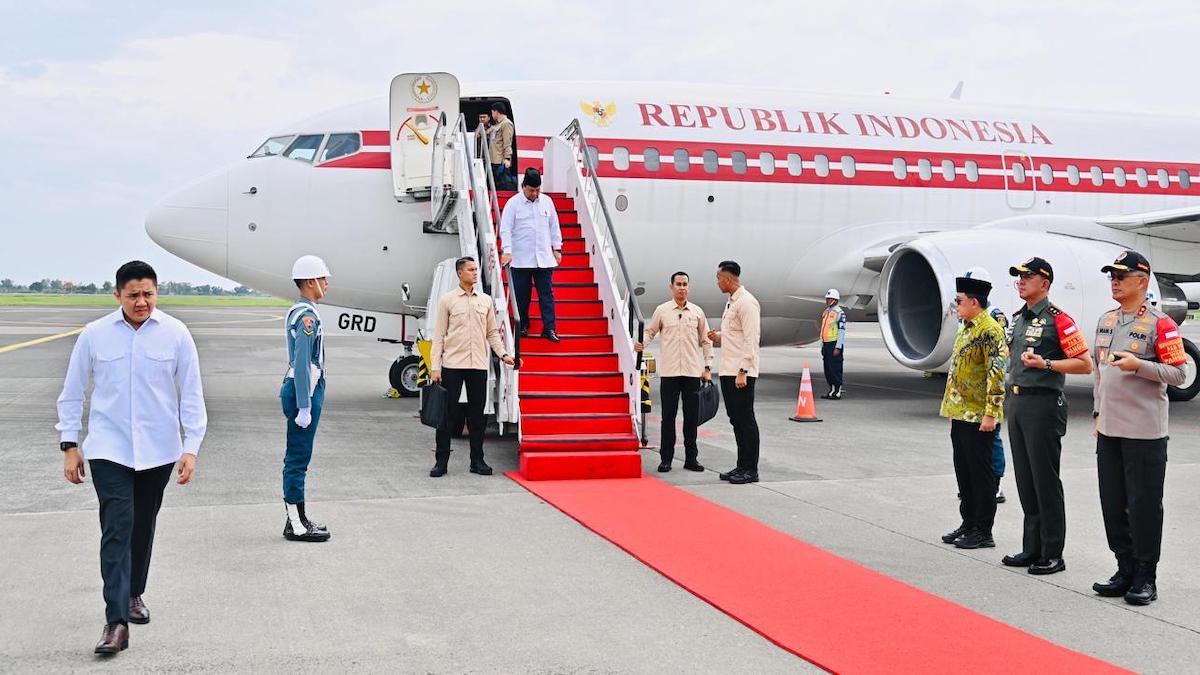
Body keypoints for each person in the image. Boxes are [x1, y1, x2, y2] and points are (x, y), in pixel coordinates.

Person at [55, 260, 206, 655]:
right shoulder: (95, 335)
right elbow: (72, 392)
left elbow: (191, 393)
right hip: (109, 448)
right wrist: (70, 445)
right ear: (117, 294)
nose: (142, 302)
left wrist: (191, 447)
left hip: (158, 450)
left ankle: (135, 592)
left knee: (142, 526)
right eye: (134, 294)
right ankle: (116, 622)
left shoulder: (175, 333)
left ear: (157, 292)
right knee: (117, 529)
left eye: (148, 294)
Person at [1090, 250, 1187, 605]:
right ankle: (1124, 568)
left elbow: (1179, 374)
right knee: (1112, 503)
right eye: (1111, 275)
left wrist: (1139, 366)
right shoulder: (1106, 321)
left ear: (1142, 282)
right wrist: (1098, 414)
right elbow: (1099, 374)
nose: (1114, 281)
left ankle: (1146, 575)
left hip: (1145, 433)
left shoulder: (1161, 324)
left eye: (1121, 275)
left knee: (1143, 505)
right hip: (1110, 430)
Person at [1000, 257, 1092, 575]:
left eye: (1027, 276)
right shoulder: (1018, 319)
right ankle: (1032, 547)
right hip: (1017, 405)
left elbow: (1084, 363)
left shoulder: (1059, 320)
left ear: (1045, 282)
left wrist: (1047, 364)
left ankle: (1053, 551)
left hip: (1043, 405)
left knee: (1045, 480)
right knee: (1025, 479)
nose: (1021, 281)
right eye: (1018, 277)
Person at [939, 270, 1008, 550]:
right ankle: (968, 523)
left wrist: (991, 413)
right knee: (964, 473)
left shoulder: (989, 330)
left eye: (960, 300)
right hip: (960, 412)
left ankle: (983, 530)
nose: (956, 305)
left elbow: (996, 374)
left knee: (982, 475)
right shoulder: (966, 327)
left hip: (980, 415)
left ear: (975, 302)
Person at [430, 256, 516, 477]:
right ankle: (441, 461)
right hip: (452, 364)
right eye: (471, 270)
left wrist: (503, 354)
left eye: (476, 269)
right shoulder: (447, 300)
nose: (475, 273)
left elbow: (492, 333)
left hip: (478, 364)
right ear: (460, 273)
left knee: (478, 416)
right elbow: (439, 336)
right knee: (446, 416)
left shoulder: (485, 300)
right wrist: (435, 367)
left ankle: (477, 461)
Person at [635, 271, 714, 472]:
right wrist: (641, 343)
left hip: (691, 374)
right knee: (668, 418)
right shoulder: (662, 311)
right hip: (670, 373)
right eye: (678, 284)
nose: (681, 287)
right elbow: (650, 331)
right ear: (671, 287)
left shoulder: (697, 312)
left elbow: (706, 340)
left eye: (685, 284)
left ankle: (691, 459)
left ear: (689, 287)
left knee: (691, 418)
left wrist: (707, 367)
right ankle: (666, 459)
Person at [281, 255, 332, 543]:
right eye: (323, 279)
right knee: (298, 459)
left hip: (308, 388)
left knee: (299, 457)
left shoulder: (305, 311)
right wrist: (304, 404)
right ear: (310, 281)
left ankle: (297, 519)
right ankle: (296, 524)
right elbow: (302, 363)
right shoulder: (306, 317)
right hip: (306, 390)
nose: (326, 284)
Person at [707, 260, 762, 484]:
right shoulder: (732, 302)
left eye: (718, 278)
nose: (717, 282)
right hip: (729, 370)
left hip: (741, 372)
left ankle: (751, 469)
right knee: (736, 420)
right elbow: (735, 334)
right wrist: (718, 336)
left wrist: (743, 370)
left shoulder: (747, 303)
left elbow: (751, 339)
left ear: (727, 279)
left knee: (745, 419)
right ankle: (741, 465)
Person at [499, 168, 563, 342]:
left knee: (547, 295)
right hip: (521, 258)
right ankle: (523, 325)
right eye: (531, 190)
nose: (535, 193)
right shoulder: (513, 204)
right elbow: (505, 229)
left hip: (543, 257)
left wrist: (557, 248)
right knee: (521, 296)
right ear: (523, 186)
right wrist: (507, 251)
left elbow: (554, 226)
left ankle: (549, 328)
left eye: (537, 190)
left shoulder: (547, 202)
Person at [988, 301, 1013, 504]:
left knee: (992, 438)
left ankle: (996, 485)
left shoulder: (994, 315)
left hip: (990, 387)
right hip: (972, 394)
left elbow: (1001, 351)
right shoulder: (969, 319)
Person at [819, 288, 847, 400]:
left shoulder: (839, 313)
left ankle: (837, 390)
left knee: (835, 368)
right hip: (826, 343)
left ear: (835, 300)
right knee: (827, 369)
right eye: (827, 298)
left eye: (829, 299)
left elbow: (841, 330)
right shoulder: (826, 312)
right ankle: (831, 390)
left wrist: (838, 346)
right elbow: (823, 329)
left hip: (834, 344)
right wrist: (822, 345)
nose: (827, 300)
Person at [487, 102, 515, 189]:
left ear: (496, 112)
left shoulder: (506, 124)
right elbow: (485, 133)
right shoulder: (497, 125)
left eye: (492, 112)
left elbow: (507, 143)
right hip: (493, 160)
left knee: (501, 185)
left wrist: (507, 158)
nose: (492, 115)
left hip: (500, 161)